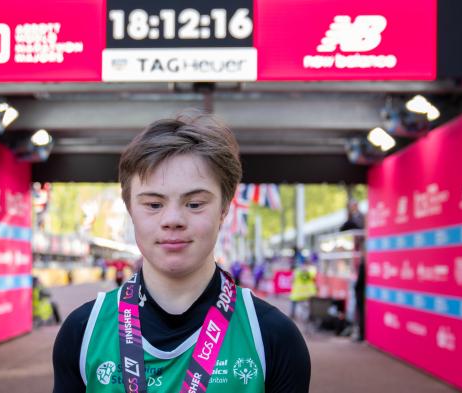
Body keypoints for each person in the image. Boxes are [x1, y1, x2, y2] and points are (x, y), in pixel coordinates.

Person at [53, 110, 310, 392]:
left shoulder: (273, 336)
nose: (172, 219)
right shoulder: (82, 332)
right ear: (130, 209)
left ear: (224, 209)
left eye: (195, 203)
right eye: (153, 204)